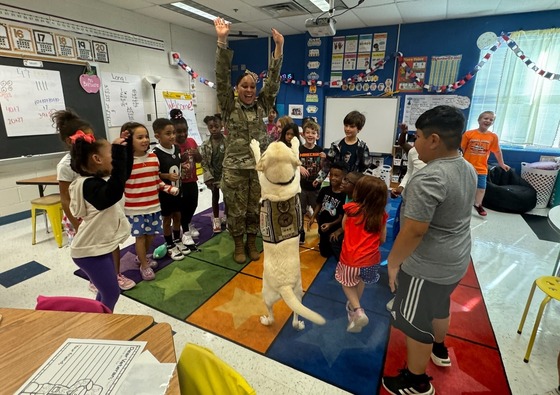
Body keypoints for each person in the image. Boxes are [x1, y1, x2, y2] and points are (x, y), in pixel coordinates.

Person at [382, 105, 477, 395]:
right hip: (456, 260)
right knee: (439, 305)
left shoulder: (430, 178)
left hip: (427, 267)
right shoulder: (468, 167)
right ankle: (439, 348)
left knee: (414, 321)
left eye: (418, 136)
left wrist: (394, 263)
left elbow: (414, 230)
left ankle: (416, 382)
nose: (414, 142)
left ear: (434, 140)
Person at [214, 17, 284, 264]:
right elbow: (221, 77)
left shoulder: (263, 106)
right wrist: (222, 41)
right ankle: (237, 245)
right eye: (244, 86)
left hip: (257, 169)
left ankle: (251, 242)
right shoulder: (227, 105)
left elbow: (273, 83)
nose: (249, 90)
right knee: (235, 210)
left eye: (253, 86)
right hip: (234, 170)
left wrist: (278, 50)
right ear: (237, 88)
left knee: (256, 208)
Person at [52, 110, 135, 292]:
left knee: (109, 248)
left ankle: (112, 275)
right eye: (87, 136)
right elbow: (65, 199)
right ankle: (99, 278)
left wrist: (124, 149)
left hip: (102, 216)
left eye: (92, 135)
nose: (92, 140)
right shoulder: (69, 167)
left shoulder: (98, 168)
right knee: (96, 257)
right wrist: (76, 224)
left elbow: (120, 178)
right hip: (84, 217)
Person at [68, 129, 132, 311]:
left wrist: (124, 150)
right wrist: (118, 154)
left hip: (99, 247)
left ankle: (99, 318)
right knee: (112, 293)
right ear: (97, 159)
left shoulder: (97, 180)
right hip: (89, 252)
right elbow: (113, 192)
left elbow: (123, 176)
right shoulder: (88, 185)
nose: (115, 157)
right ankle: (104, 325)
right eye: (111, 154)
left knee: (106, 292)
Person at [122, 121, 179, 281]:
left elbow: (156, 181)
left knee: (151, 235)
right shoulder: (126, 162)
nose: (145, 140)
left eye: (146, 136)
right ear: (129, 141)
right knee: (140, 237)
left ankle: (141, 258)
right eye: (140, 137)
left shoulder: (154, 158)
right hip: (136, 209)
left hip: (153, 206)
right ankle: (144, 265)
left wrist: (168, 188)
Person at [336, 175, 388, 333]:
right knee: (360, 280)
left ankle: (358, 310)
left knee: (346, 282)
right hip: (372, 260)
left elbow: (344, 227)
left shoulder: (350, 209)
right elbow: (383, 239)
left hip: (351, 258)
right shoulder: (381, 215)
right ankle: (353, 311)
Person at [461, 110, 509, 217]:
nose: (488, 121)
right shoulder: (469, 134)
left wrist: (502, 164)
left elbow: (497, 151)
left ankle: (478, 204)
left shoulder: (493, 137)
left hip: (481, 168)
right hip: (467, 167)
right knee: (465, 187)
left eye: (491, 119)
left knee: (481, 188)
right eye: (485, 118)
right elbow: (462, 149)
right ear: (479, 120)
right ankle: (461, 205)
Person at [152, 118, 188, 260]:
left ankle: (178, 240)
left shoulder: (177, 148)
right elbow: (154, 173)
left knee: (178, 216)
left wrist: (182, 165)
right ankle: (169, 244)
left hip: (178, 190)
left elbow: (176, 163)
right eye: (168, 133)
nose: (172, 136)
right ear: (157, 136)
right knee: (167, 219)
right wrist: (166, 175)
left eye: (173, 133)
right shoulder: (155, 153)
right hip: (165, 193)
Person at [170, 110, 202, 248]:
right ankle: (186, 232)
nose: (182, 134)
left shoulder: (191, 141)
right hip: (179, 183)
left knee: (193, 204)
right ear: (173, 132)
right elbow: (168, 166)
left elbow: (200, 159)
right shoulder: (172, 146)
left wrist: (197, 155)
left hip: (192, 180)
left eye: (185, 130)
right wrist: (178, 159)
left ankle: (187, 222)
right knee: (182, 207)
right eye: (179, 131)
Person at [314, 110, 371, 187]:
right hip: (336, 184)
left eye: (352, 126)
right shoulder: (336, 145)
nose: (347, 129)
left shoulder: (362, 147)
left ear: (359, 129)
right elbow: (327, 164)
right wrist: (319, 178)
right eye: (346, 125)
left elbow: (366, 168)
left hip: (352, 186)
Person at [391, 123, 427, 237]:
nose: (415, 138)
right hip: (409, 197)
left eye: (418, 136)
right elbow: (410, 172)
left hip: (424, 200)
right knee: (402, 229)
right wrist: (401, 187)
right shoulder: (413, 152)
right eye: (415, 135)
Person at [307, 161, 347, 258]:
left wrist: (331, 224)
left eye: (337, 176)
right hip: (323, 225)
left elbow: (341, 216)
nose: (333, 178)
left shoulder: (344, 195)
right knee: (324, 253)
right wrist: (313, 217)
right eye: (331, 175)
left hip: (334, 227)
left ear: (343, 178)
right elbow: (319, 204)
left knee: (336, 253)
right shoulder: (324, 190)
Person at [299, 120, 325, 244]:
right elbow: (292, 164)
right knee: (300, 212)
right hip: (301, 188)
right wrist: (298, 166)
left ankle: (321, 231)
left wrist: (324, 160)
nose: (310, 135)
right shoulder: (298, 149)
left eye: (313, 133)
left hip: (315, 189)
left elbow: (324, 168)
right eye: (307, 132)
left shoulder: (320, 150)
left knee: (318, 212)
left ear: (317, 136)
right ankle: (301, 233)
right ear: (303, 135)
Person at [200, 114, 227, 233]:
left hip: (226, 176)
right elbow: (204, 162)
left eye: (216, 126)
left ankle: (228, 217)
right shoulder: (205, 145)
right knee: (215, 197)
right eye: (211, 127)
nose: (214, 129)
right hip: (213, 176)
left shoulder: (228, 141)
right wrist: (208, 177)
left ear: (221, 125)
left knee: (228, 198)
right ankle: (216, 218)